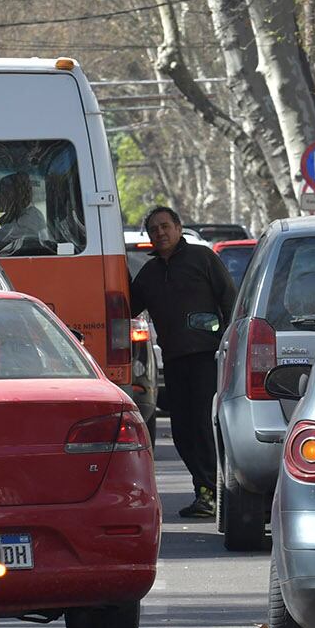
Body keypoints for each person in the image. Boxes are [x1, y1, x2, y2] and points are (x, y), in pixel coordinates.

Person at [128, 205, 237, 518]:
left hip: (208, 357)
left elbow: (231, 301)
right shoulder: (148, 275)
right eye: (154, 230)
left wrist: (232, 346)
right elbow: (128, 308)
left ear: (178, 228)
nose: (160, 233)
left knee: (203, 426)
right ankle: (205, 491)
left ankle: (216, 493)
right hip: (174, 362)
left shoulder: (203, 259)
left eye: (165, 226)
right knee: (182, 432)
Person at [0, 172, 52, 254]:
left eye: (5, 193)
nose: (0, 198)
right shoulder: (16, 216)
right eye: (1, 192)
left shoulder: (32, 215)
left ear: (18, 194)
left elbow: (5, 235)